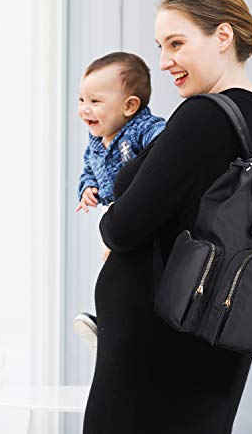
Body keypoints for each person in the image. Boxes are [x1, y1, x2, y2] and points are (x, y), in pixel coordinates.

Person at [82, 0, 252, 434]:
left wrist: (108, 221)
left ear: (222, 36)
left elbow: (125, 226)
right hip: (199, 350)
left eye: (176, 43)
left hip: (156, 358)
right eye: (160, 47)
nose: (164, 61)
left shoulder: (203, 117)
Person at [74, 52, 166, 349]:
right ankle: (108, 325)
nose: (84, 109)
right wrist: (87, 188)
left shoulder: (140, 128)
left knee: (127, 271)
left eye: (95, 101)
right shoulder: (95, 140)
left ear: (130, 106)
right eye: (81, 99)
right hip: (114, 214)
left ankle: (122, 328)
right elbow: (89, 168)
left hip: (139, 213)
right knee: (114, 272)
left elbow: (166, 142)